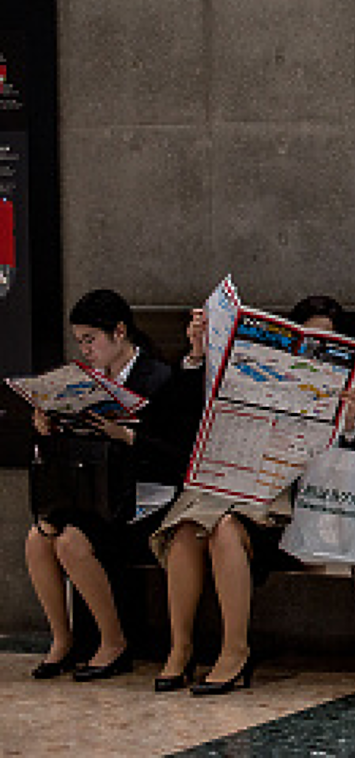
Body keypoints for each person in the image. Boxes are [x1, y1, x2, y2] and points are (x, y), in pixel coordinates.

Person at [146, 296, 355, 695]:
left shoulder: (349, 392)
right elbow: (180, 420)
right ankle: (180, 649)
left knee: (226, 530)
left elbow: (350, 471)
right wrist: (199, 355)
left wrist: (348, 423)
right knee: (183, 531)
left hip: (279, 507)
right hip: (228, 479)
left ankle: (236, 651)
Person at [23, 290, 174, 682]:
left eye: (91, 339)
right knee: (38, 539)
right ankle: (62, 638)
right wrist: (51, 428)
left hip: (144, 494)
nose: (85, 349)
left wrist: (125, 437)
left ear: (120, 332)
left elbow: (172, 452)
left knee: (72, 541)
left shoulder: (156, 377)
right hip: (95, 489)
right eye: (80, 341)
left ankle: (113, 641)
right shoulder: (86, 381)